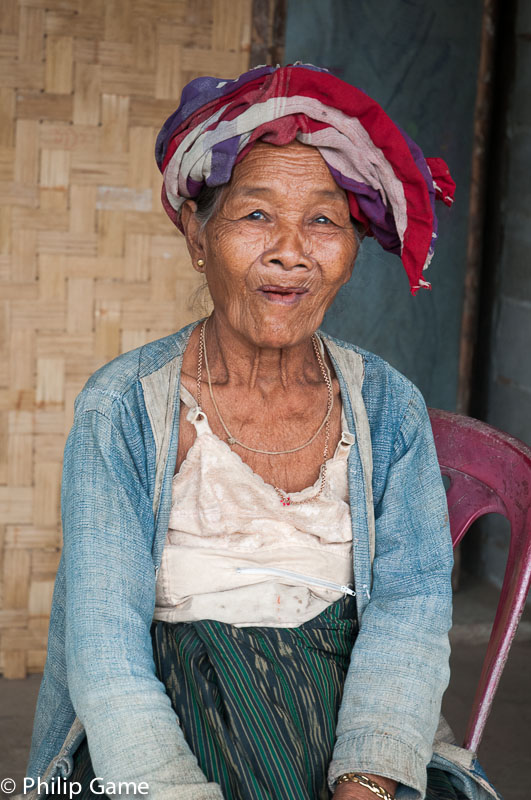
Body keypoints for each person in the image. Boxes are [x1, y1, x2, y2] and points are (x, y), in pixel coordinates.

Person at [25, 64, 499, 800]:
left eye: (321, 219)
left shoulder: (388, 407)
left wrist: (366, 780)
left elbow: (410, 610)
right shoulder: (122, 408)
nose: (290, 250)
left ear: (349, 245)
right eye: (254, 215)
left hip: (347, 713)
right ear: (196, 234)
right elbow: (103, 647)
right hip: (169, 716)